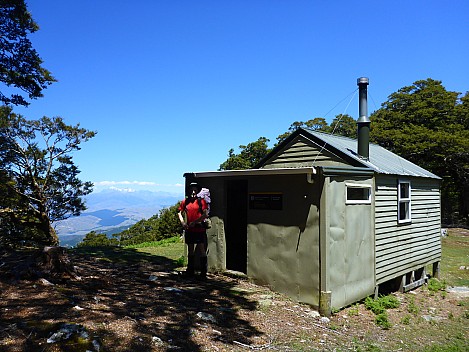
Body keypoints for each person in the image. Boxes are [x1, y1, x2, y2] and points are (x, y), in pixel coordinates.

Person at [178, 182, 209, 278]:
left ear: (197, 191)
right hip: (189, 230)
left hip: (199, 229)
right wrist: (183, 223)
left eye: (195, 190)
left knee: (201, 250)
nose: (193, 192)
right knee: (190, 250)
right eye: (192, 190)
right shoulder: (185, 202)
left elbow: (205, 214)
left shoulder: (201, 201)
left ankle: (203, 273)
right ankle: (190, 270)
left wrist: (195, 222)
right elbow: (179, 212)